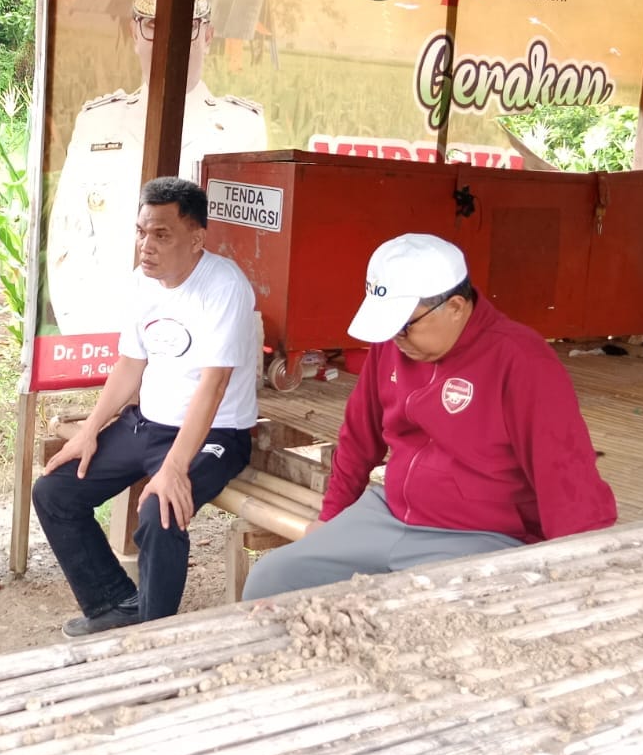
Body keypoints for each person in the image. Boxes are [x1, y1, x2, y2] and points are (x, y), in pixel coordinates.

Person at [243, 234, 618, 601]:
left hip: (481, 536)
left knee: (419, 623)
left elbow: (564, 473)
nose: (397, 339)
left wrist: (575, 573)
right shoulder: (391, 346)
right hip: (388, 515)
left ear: (455, 306)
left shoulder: (521, 362)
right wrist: (330, 518)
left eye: (405, 325)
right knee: (271, 582)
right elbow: (359, 436)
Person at [33, 176, 262, 636]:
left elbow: (213, 386)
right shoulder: (143, 282)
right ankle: (115, 603)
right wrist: (91, 429)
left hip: (215, 434)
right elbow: (130, 363)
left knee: (161, 507)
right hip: (146, 424)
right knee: (54, 492)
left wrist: (175, 466)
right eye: (141, 231)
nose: (146, 245)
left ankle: (153, 634)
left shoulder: (225, 286)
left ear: (197, 240)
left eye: (161, 234)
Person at [46, 0, 267, 336]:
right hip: (110, 334)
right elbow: (68, 241)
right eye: (153, 26)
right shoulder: (98, 124)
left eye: (186, 27)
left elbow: (254, 251)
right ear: (135, 33)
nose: (169, 41)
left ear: (207, 36)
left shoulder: (242, 129)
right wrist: (93, 337)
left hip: (204, 344)